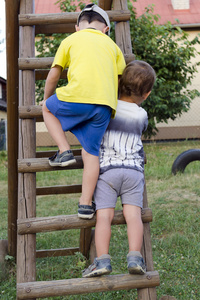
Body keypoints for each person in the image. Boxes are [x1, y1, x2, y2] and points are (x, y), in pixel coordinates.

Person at [40, 4, 126, 219]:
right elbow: (117, 81)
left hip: (77, 97)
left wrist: (46, 99)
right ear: (106, 28)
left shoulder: (70, 40)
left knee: (47, 109)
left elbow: (53, 75)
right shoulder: (114, 46)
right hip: (105, 105)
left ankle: (64, 151)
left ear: (77, 27)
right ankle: (85, 205)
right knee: (91, 152)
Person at [82, 60, 156, 278]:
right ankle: (135, 257)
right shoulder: (142, 115)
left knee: (103, 216)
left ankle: (102, 260)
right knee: (134, 215)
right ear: (147, 94)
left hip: (108, 172)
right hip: (133, 171)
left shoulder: (108, 109)